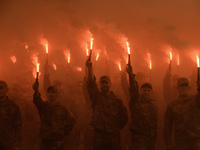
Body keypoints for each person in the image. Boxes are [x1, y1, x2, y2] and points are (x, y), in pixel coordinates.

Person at [85, 59, 128, 150]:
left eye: (106, 83)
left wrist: (115, 127)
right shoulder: (96, 97)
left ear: (110, 84)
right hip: (99, 134)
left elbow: (124, 117)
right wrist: (90, 69)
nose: (104, 85)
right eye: (102, 83)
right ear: (99, 85)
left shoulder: (117, 100)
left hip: (113, 135)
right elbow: (91, 84)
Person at [32, 82, 75, 150]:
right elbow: (36, 100)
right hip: (46, 140)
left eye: (53, 92)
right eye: (49, 92)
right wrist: (36, 90)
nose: (51, 94)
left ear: (57, 94)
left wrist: (63, 132)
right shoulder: (43, 107)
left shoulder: (62, 108)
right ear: (47, 94)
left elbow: (71, 121)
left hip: (58, 141)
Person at [126, 65, 157, 150]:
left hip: (150, 139)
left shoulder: (153, 106)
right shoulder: (136, 101)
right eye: (144, 90)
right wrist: (131, 75)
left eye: (148, 90)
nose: (146, 92)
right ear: (140, 91)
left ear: (151, 92)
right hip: (139, 139)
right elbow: (133, 89)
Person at [164, 77, 194, 150]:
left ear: (189, 88)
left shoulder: (195, 102)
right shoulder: (172, 105)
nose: (184, 88)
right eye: (181, 86)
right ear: (177, 88)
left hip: (195, 141)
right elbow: (167, 127)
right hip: (180, 142)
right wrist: (168, 144)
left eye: (185, 86)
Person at [0, 80, 22, 150]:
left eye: (1, 88)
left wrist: (17, 145)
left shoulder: (13, 106)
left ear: (6, 90)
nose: (0, 90)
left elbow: (18, 127)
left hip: (7, 142)